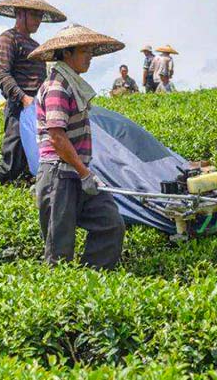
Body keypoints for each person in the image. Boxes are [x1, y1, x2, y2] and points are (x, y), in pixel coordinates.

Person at [29, 23, 126, 269]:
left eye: (91, 52)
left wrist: (84, 173)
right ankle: (61, 298)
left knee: (110, 222)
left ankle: (91, 279)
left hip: (76, 172)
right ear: (67, 54)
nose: (90, 58)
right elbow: (57, 138)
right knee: (59, 246)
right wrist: (85, 174)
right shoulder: (57, 87)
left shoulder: (72, 85)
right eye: (85, 52)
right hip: (59, 174)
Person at [0, 0, 67, 183]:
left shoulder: (36, 45)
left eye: (40, 16)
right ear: (20, 13)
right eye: (34, 15)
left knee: (34, 158)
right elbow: (2, 74)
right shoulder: (8, 38)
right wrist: (23, 98)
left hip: (37, 107)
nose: (38, 21)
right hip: (20, 106)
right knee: (11, 160)